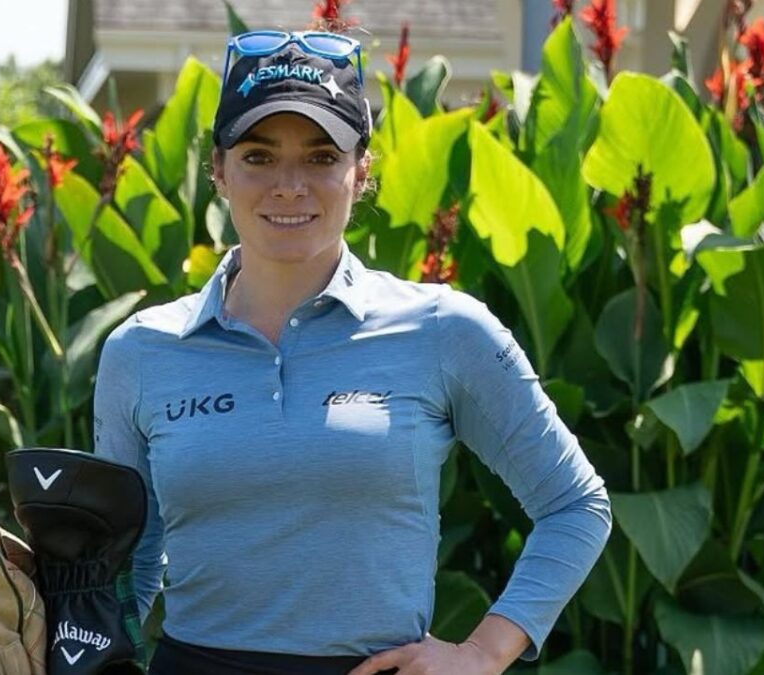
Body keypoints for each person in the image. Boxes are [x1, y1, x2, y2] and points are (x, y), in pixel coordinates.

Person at [92, 30, 612, 675]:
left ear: (360, 170)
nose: (288, 186)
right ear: (219, 171)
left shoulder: (444, 328)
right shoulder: (141, 351)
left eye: (320, 157)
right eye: (257, 156)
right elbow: (127, 561)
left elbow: (574, 504)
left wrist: (483, 652)